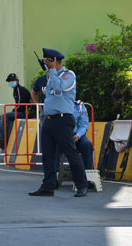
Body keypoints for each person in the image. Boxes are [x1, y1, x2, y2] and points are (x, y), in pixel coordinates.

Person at [29, 48, 89, 197]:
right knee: (47, 155)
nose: (45, 64)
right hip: (49, 120)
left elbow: (59, 88)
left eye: (47, 61)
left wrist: (53, 71)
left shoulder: (68, 75)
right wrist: (51, 72)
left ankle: (82, 185)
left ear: (54, 61)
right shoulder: (51, 76)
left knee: (71, 153)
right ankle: (48, 186)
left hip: (63, 119)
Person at [0, 73, 32, 149]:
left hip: (25, 112)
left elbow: (20, 104)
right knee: (2, 116)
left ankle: (3, 140)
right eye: (9, 81)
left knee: (5, 116)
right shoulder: (16, 90)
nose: (11, 82)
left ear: (17, 81)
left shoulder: (19, 89)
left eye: (12, 80)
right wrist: (14, 111)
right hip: (21, 111)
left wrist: (14, 111)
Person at [72, 100, 94, 170]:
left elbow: (83, 125)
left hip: (76, 136)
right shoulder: (58, 105)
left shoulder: (79, 106)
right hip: (62, 137)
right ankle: (54, 174)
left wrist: (78, 135)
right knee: (54, 145)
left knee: (87, 145)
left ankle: (87, 174)